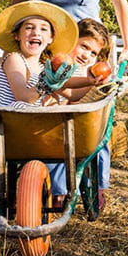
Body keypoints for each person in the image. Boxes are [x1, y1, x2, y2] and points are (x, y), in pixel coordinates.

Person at [12, 0, 128, 211]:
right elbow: (19, 4)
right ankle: (51, 183)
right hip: (52, 56)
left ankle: (97, 182)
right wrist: (14, 52)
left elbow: (120, 2)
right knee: (50, 116)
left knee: (95, 119)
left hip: (89, 54)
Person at [45, 18, 112, 208]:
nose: (87, 55)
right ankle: (57, 191)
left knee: (99, 138)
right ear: (71, 39)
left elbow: (77, 96)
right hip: (53, 121)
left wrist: (98, 85)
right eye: (84, 46)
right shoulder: (60, 63)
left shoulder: (87, 72)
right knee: (56, 145)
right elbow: (64, 90)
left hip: (74, 123)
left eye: (93, 53)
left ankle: (98, 186)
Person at [0, 1, 78, 108]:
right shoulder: (14, 59)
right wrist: (46, 84)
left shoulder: (43, 68)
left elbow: (73, 94)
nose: (36, 33)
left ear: (51, 38)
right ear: (17, 35)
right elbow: (23, 98)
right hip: (5, 118)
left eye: (43, 29)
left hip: (27, 121)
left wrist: (94, 81)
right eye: (29, 27)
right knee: (19, 106)